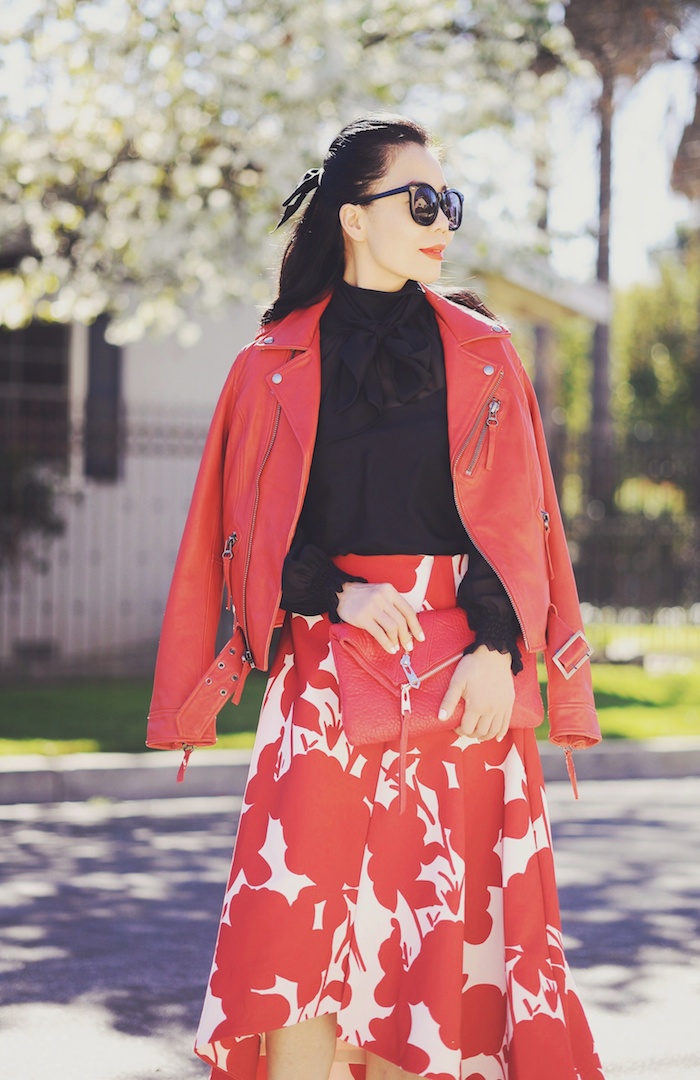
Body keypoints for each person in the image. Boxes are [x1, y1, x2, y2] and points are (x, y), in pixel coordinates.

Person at [147, 115, 605, 1080]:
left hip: (465, 683)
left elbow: (521, 517)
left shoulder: (484, 353)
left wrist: (496, 647)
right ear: (355, 218)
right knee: (299, 938)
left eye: (452, 205)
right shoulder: (268, 364)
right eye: (422, 201)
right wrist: (338, 597)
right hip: (321, 676)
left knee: (432, 951)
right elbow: (249, 531)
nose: (443, 222)